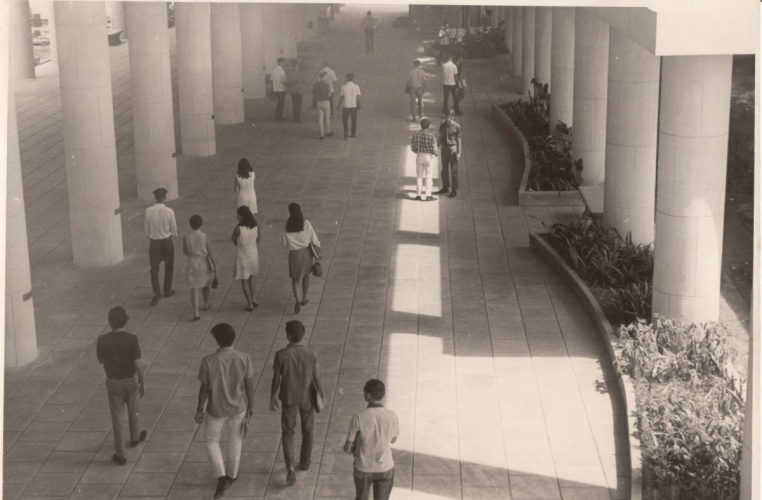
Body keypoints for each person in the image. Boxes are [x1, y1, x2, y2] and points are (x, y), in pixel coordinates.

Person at [195, 323, 255, 499]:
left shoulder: (208, 360)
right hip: (238, 408)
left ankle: (220, 476)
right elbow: (249, 386)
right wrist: (251, 406)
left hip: (216, 409)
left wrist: (199, 408)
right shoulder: (244, 358)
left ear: (217, 340)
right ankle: (232, 474)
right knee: (235, 441)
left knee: (211, 441)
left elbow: (204, 388)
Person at [270, 320, 325, 486]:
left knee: (288, 432)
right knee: (308, 430)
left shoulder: (281, 355)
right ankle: (305, 462)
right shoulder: (311, 353)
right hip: (307, 397)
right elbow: (316, 377)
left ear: (288, 336)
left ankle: (290, 468)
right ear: (303, 335)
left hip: (288, 398)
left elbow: (276, 379)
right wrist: (322, 394)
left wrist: (272, 396)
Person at [96, 306, 146, 466]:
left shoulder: (102, 340)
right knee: (133, 411)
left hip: (113, 382)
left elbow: (101, 360)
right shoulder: (133, 338)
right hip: (131, 381)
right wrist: (142, 382)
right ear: (125, 320)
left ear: (110, 322)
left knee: (117, 419)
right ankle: (134, 438)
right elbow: (137, 364)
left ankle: (121, 454)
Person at [344, 379, 399, 500]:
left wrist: (354, 452)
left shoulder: (358, 417)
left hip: (363, 468)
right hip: (385, 467)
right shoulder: (392, 415)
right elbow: (393, 439)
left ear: (368, 395)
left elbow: (347, 447)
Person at [283, 203, 320, 314]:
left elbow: (285, 243)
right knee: (305, 276)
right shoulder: (306, 224)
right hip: (306, 254)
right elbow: (314, 239)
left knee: (295, 278)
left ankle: (297, 299)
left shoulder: (287, 226)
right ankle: (304, 298)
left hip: (294, 255)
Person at [145, 187, 177, 306]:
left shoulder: (148, 211)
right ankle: (167, 290)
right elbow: (174, 230)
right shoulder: (169, 211)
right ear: (164, 197)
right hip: (167, 242)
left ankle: (157, 292)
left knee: (154, 269)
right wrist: (169, 237)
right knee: (169, 267)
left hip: (154, 243)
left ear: (155, 198)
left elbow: (146, 230)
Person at [183, 215, 216, 320]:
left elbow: (185, 251)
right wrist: (214, 265)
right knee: (206, 283)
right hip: (203, 261)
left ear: (190, 224)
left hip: (192, 262)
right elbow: (210, 252)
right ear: (200, 224)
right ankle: (206, 303)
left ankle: (196, 313)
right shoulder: (204, 236)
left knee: (194, 287)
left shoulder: (186, 236)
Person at [232, 206, 260, 311]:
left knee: (244, 280)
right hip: (253, 254)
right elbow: (258, 239)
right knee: (252, 277)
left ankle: (249, 304)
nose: (237, 216)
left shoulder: (238, 229)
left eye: (238, 215)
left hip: (242, 256)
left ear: (242, 216)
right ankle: (254, 298)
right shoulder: (255, 226)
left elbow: (233, 239)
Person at [410, 118, 439, 201]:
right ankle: (428, 195)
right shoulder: (431, 136)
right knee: (428, 177)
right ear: (428, 126)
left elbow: (412, 147)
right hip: (428, 157)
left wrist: (417, 151)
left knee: (419, 177)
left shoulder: (415, 135)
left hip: (419, 156)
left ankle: (418, 195)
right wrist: (436, 153)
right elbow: (434, 149)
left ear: (421, 126)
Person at [436, 110, 462, 198]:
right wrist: (436, 147)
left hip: (452, 149)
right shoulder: (442, 124)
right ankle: (445, 187)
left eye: (450, 118)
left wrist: (458, 153)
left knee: (454, 171)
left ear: (453, 117)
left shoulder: (457, 126)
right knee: (444, 169)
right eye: (446, 117)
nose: (448, 120)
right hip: (444, 148)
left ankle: (454, 190)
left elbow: (459, 140)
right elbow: (440, 136)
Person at [339, 73, 361, 139]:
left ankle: (346, 131)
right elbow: (358, 97)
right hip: (354, 105)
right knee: (354, 119)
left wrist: (338, 105)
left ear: (347, 78)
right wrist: (359, 104)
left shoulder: (343, 87)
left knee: (344, 119)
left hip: (346, 105)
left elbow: (341, 97)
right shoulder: (356, 86)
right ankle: (353, 133)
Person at [313, 71, 333, 139]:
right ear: (323, 77)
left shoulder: (315, 84)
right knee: (327, 118)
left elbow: (314, 93)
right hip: (326, 102)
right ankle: (328, 132)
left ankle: (321, 134)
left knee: (320, 119)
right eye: (326, 76)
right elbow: (329, 94)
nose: (327, 77)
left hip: (318, 103)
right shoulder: (326, 84)